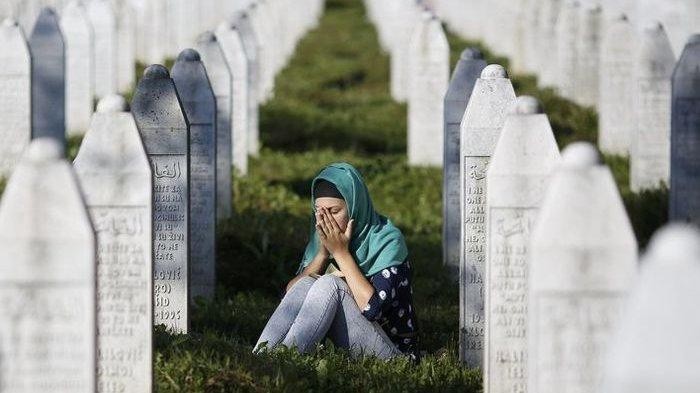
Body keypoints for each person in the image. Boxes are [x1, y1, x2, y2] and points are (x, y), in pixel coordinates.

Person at [253, 162, 420, 362]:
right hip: (344, 345)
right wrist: (322, 255)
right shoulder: (319, 242)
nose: (325, 220)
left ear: (354, 209)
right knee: (306, 282)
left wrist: (341, 253)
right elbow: (288, 300)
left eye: (334, 211)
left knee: (330, 284)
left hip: (392, 353)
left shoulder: (387, 241)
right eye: (319, 211)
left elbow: (373, 309)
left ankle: (281, 363)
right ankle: (260, 360)